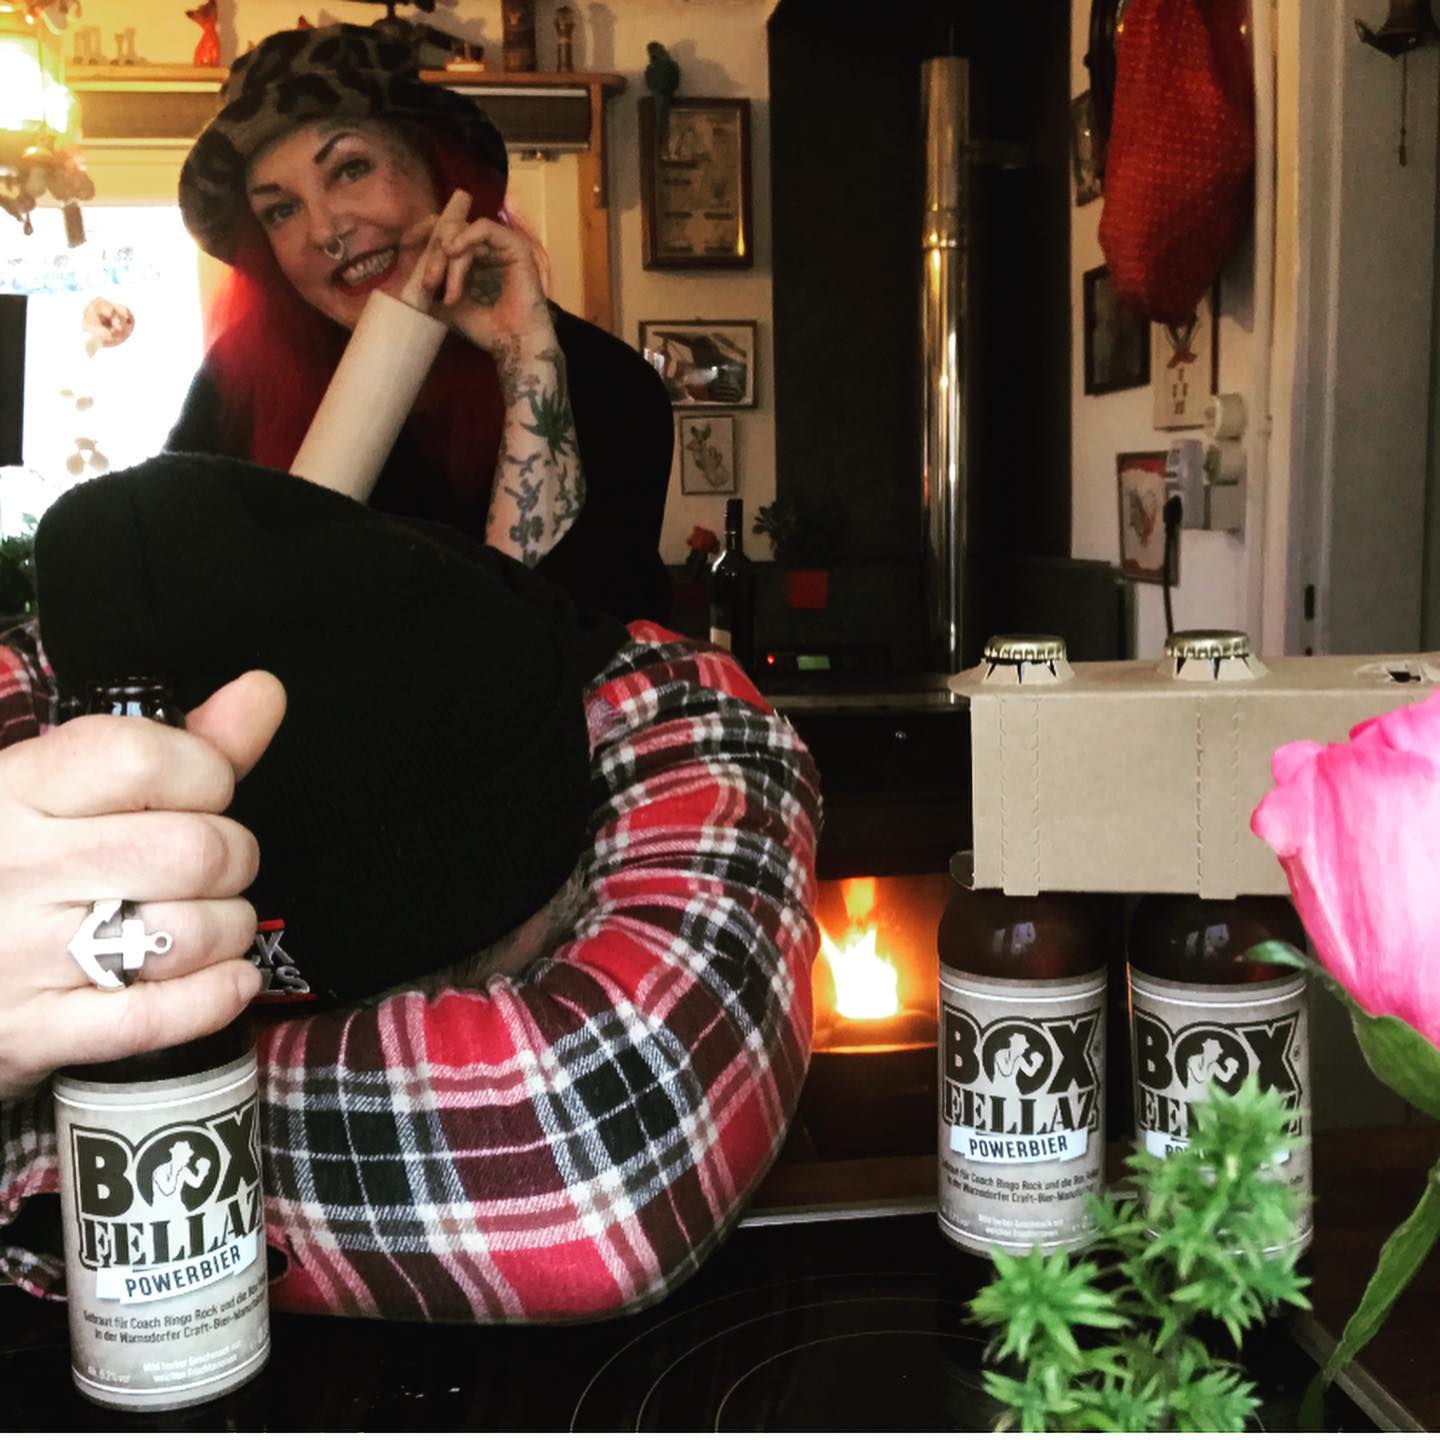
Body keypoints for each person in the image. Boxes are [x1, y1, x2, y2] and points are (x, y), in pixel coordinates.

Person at [0, 453, 821, 1322]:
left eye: (461, 1017)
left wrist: (47, 1102)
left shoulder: (664, 712)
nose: (402, 1059)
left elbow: (602, 1169)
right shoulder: (39, 690)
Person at [168, 22, 674, 625]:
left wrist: (526, 359)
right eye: (281, 209)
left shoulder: (608, 383)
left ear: (437, 167)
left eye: (351, 169)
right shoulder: (235, 390)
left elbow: (573, 640)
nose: (326, 231)